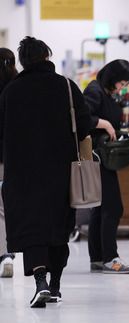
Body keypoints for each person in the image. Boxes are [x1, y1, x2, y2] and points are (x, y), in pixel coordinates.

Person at [0, 37, 91, 307]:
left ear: (23, 61)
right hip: (61, 171)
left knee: (33, 229)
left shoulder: (11, 92)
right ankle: (55, 285)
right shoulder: (66, 86)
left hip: (23, 173)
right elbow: (84, 125)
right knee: (59, 227)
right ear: (47, 56)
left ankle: (40, 280)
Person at [83, 60, 129, 274]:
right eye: (121, 83)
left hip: (103, 156)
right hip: (98, 157)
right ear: (112, 78)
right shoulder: (94, 91)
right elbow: (83, 117)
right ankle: (110, 258)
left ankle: (97, 258)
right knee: (113, 207)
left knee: (100, 208)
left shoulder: (105, 92)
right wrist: (103, 123)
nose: (122, 88)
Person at [0, 48, 18, 278]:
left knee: (0, 210)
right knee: (11, 206)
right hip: (16, 157)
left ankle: (4, 253)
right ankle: (9, 252)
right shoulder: (18, 88)